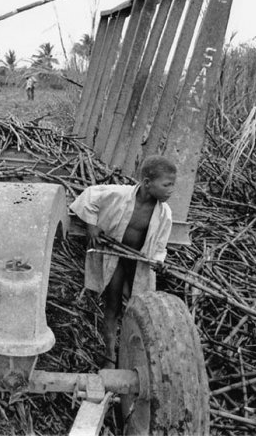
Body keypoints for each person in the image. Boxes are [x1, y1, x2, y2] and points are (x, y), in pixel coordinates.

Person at [69, 155, 176, 368]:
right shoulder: (120, 195)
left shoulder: (164, 213)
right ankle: (109, 353)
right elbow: (90, 195)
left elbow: (159, 246)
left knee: (139, 307)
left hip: (139, 262)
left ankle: (133, 355)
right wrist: (91, 225)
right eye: (167, 184)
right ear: (147, 183)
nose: (171, 190)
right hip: (115, 257)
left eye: (173, 185)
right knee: (113, 304)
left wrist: (158, 261)